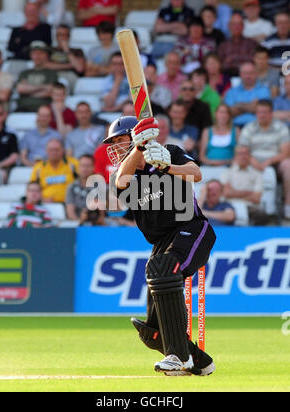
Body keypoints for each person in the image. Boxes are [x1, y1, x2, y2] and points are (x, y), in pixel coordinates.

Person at [103, 115, 216, 375]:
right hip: (161, 242)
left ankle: (179, 357)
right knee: (152, 332)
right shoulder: (124, 173)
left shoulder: (170, 152)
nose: (117, 147)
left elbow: (196, 174)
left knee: (164, 268)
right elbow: (121, 182)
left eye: (121, 140)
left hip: (192, 228)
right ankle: (199, 361)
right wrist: (140, 148)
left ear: (133, 135)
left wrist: (167, 167)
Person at [238, 99, 290, 219]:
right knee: (239, 161)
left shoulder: (280, 127)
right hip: (252, 161)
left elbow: (285, 153)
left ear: (271, 113)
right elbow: (242, 150)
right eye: (259, 112)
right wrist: (252, 160)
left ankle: (288, 206)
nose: (262, 115)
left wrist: (269, 161)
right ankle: (245, 207)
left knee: (288, 165)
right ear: (256, 113)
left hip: (276, 162)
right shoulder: (249, 128)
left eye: (265, 112)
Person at [220, 145, 271, 225]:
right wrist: (247, 193)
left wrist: (233, 192)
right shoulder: (227, 173)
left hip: (250, 207)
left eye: (245, 153)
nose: (243, 156)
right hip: (229, 206)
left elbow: (256, 198)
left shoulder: (257, 174)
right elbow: (226, 193)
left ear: (250, 156)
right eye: (240, 154)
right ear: (235, 156)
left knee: (262, 215)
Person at [30, 138, 79, 203]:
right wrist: (41, 200)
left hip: (71, 204)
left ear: (63, 150)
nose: (54, 152)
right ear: (46, 151)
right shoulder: (38, 167)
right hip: (46, 204)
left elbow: (83, 183)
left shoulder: (74, 164)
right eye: (51, 150)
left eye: (57, 150)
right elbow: (31, 189)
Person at [224, 61, 271, 128]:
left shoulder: (264, 90)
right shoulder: (231, 92)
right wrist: (252, 106)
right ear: (240, 74)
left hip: (258, 128)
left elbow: (263, 111)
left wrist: (239, 105)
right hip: (236, 128)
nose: (248, 76)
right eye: (245, 73)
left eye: (251, 73)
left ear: (256, 74)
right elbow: (228, 113)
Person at [16, 41, 58, 112]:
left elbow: (50, 92)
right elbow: (20, 89)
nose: (37, 56)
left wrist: (28, 93)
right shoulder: (24, 73)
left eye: (41, 53)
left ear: (46, 55)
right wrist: (43, 87)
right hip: (23, 109)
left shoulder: (52, 73)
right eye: (34, 53)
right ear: (31, 55)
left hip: (44, 110)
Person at [66, 154, 105, 226]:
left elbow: (102, 214)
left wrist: (100, 217)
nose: (85, 169)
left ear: (93, 168)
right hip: (78, 224)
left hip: (98, 224)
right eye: (83, 166)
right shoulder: (71, 187)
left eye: (88, 166)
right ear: (78, 167)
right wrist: (80, 220)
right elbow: (70, 214)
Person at [47, 24, 86, 93]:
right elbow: (45, 65)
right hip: (53, 75)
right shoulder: (50, 50)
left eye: (65, 35)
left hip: (70, 76)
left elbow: (80, 68)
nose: (62, 37)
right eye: (60, 34)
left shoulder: (77, 51)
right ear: (56, 37)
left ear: (69, 37)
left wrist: (66, 50)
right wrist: (70, 65)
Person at [218, 12, 257, 77]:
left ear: (243, 26)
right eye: (234, 24)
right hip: (228, 77)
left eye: (239, 24)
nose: (236, 27)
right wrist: (243, 59)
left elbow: (254, 62)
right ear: (229, 26)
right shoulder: (223, 46)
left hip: (248, 77)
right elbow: (220, 66)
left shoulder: (252, 44)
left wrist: (231, 59)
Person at [0, 103, 19, 183]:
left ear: (5, 115)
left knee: (1, 174)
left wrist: (0, 164)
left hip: (4, 167)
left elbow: (14, 156)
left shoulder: (11, 134)